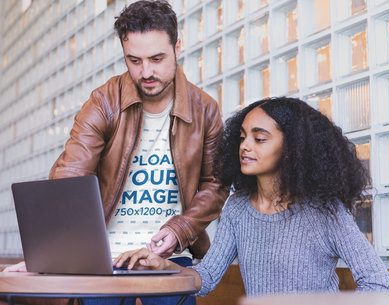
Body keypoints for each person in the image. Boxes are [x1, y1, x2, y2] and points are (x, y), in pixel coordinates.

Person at [4, 1, 228, 304]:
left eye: (157, 58)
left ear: (178, 47)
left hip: (171, 258)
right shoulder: (103, 102)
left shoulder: (205, 109)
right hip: (102, 259)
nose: (146, 71)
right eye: (134, 60)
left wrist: (179, 230)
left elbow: (215, 185)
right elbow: (70, 175)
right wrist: (48, 256)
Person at [114, 97, 389, 297]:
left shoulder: (325, 212)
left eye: (259, 139)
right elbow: (207, 277)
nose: (245, 146)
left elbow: (378, 285)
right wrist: (162, 265)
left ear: (292, 148)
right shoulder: (237, 209)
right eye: (243, 137)